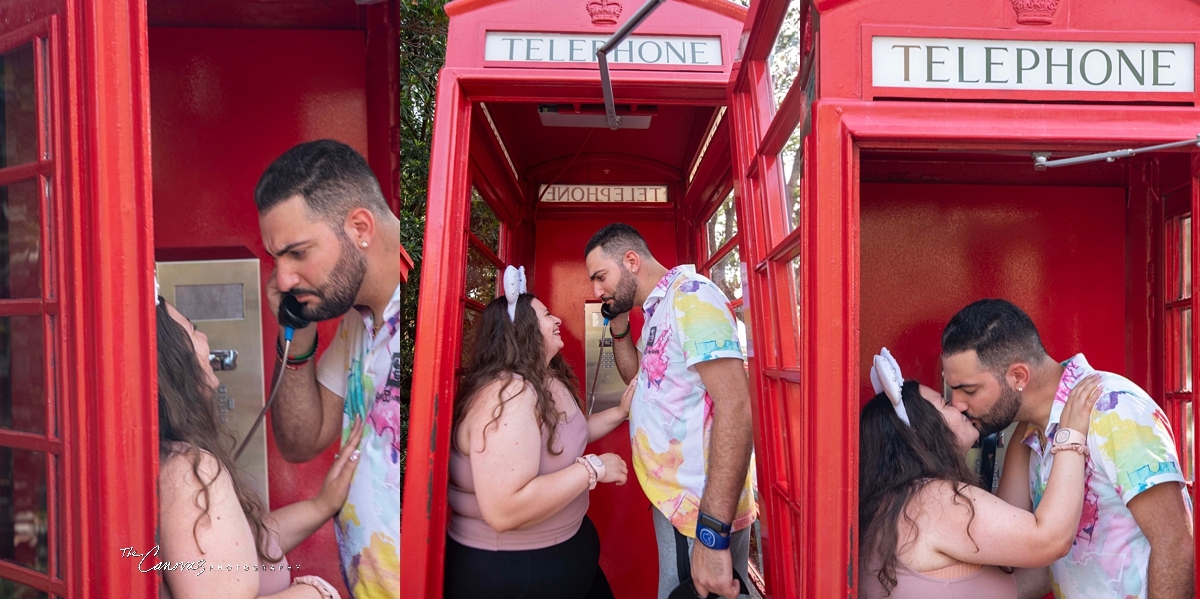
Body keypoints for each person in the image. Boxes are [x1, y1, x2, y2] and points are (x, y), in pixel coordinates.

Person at [941, 299, 1195, 599]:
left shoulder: (1113, 410)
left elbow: (1174, 542)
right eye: (951, 388)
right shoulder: (1029, 432)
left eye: (969, 390)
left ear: (1018, 377)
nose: (956, 403)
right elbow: (1047, 561)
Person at [254, 139, 404, 597]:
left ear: (361, 227)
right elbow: (301, 443)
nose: (282, 280)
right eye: (275, 258)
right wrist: (296, 336)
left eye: (297, 253)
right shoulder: (356, 322)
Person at [155, 288, 365, 599]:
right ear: (174, 360)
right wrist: (312, 595)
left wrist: (322, 505)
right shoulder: (188, 472)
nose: (205, 339)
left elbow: (236, 543)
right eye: (192, 329)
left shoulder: (174, 458)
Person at [584, 223, 756, 599]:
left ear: (631, 261)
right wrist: (618, 326)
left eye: (601, 277)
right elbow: (639, 377)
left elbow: (737, 407)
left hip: (700, 509)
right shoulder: (661, 307)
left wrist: (713, 532)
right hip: (675, 502)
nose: (596, 291)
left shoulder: (692, 299)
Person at [444, 266, 631, 599]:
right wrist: (594, 468)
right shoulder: (508, 395)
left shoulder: (544, 378)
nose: (557, 319)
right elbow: (505, 509)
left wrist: (620, 411)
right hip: (515, 573)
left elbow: (570, 433)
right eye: (546, 315)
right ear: (523, 330)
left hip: (563, 560)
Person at [859, 347, 1102, 599]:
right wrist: (1070, 434)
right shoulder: (933, 501)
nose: (959, 406)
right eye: (944, 403)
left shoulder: (899, 504)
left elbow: (1014, 576)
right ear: (920, 432)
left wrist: (1027, 419)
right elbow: (1050, 540)